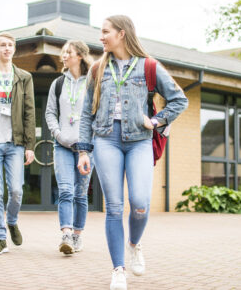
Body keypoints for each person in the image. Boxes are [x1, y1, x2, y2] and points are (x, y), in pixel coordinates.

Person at [75, 15, 188, 290]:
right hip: (106, 140)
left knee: (140, 203)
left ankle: (134, 244)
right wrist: (83, 151)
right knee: (113, 207)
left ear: (122, 33)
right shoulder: (97, 70)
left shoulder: (149, 66)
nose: (101, 37)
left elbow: (180, 99)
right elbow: (86, 113)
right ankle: (118, 270)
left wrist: (157, 120)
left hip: (139, 141)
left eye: (105, 32)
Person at [0, 32, 36, 255]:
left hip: (15, 143)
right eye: (2, 45)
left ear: (14, 49)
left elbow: (29, 112)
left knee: (16, 190)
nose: (6, 48)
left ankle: (12, 221)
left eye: (10, 45)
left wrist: (30, 145)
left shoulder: (24, 77)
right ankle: (0, 237)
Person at [45, 40, 94, 255]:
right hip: (63, 145)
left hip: (86, 148)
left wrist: (89, 141)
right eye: (63, 53)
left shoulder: (93, 82)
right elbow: (49, 113)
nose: (64, 56)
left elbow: (96, 114)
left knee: (81, 194)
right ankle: (65, 235)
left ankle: (77, 235)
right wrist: (58, 134)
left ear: (80, 56)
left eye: (69, 52)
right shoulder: (58, 83)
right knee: (65, 190)